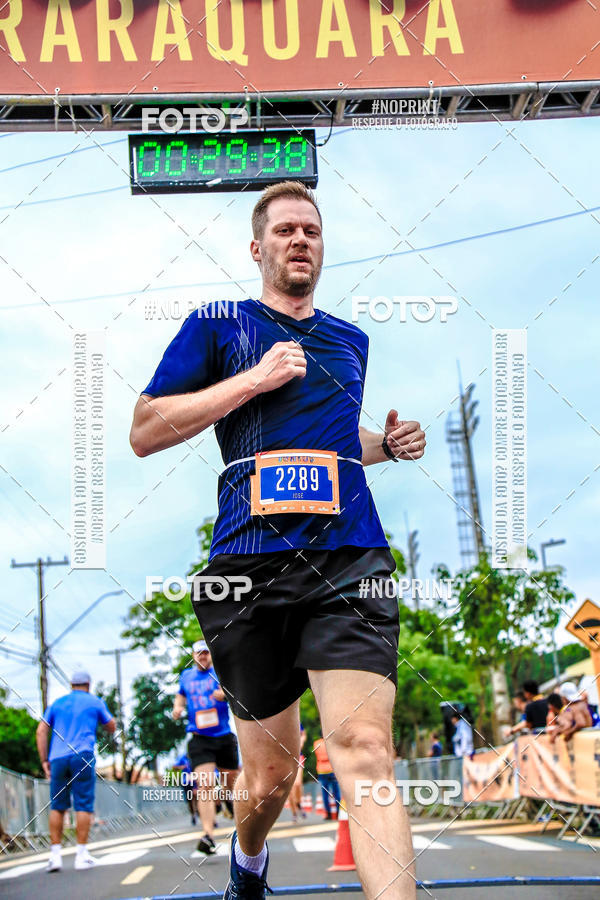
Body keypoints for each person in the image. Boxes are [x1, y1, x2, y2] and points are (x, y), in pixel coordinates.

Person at [131, 180, 426, 899]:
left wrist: (382, 445)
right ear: (258, 247)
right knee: (272, 774)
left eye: (313, 231)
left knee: (363, 751)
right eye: (287, 230)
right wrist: (251, 382)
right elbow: (145, 431)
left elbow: (328, 439)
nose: (301, 240)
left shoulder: (351, 340)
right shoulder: (218, 324)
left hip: (350, 560)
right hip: (248, 568)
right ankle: (249, 862)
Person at [35, 670, 115, 873]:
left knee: (57, 806)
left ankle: (55, 857)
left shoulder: (57, 703)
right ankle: (81, 855)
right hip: (82, 755)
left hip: (58, 758)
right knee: (83, 804)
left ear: (71, 685)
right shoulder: (94, 701)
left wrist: (44, 760)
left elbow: (41, 731)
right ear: (88, 684)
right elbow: (111, 725)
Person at [172, 640, 239, 855]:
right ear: (193, 656)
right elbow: (180, 696)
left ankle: (233, 809)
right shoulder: (186, 677)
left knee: (232, 785)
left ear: (211, 655)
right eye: (199, 653)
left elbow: (237, 692)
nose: (203, 657)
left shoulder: (221, 672)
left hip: (223, 736)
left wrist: (225, 695)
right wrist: (178, 708)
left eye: (206, 653)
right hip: (199, 738)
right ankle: (208, 835)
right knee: (205, 786)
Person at [313, 733, 341, 820]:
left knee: (325, 793)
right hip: (332, 769)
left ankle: (328, 814)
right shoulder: (330, 742)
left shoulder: (316, 743)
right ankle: (338, 813)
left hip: (321, 770)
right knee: (336, 792)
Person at [172, 753, 198, 825]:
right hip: (186, 781)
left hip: (196, 780)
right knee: (189, 800)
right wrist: (182, 767)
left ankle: (199, 811)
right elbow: (174, 767)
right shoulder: (182, 758)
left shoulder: (197, 755)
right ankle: (193, 814)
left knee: (198, 797)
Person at [289, 724, 307, 824]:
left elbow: (303, 734)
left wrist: (302, 741)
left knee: (297, 784)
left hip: (298, 757)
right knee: (289, 790)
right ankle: (294, 813)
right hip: (285, 759)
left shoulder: (297, 721)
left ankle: (299, 803)